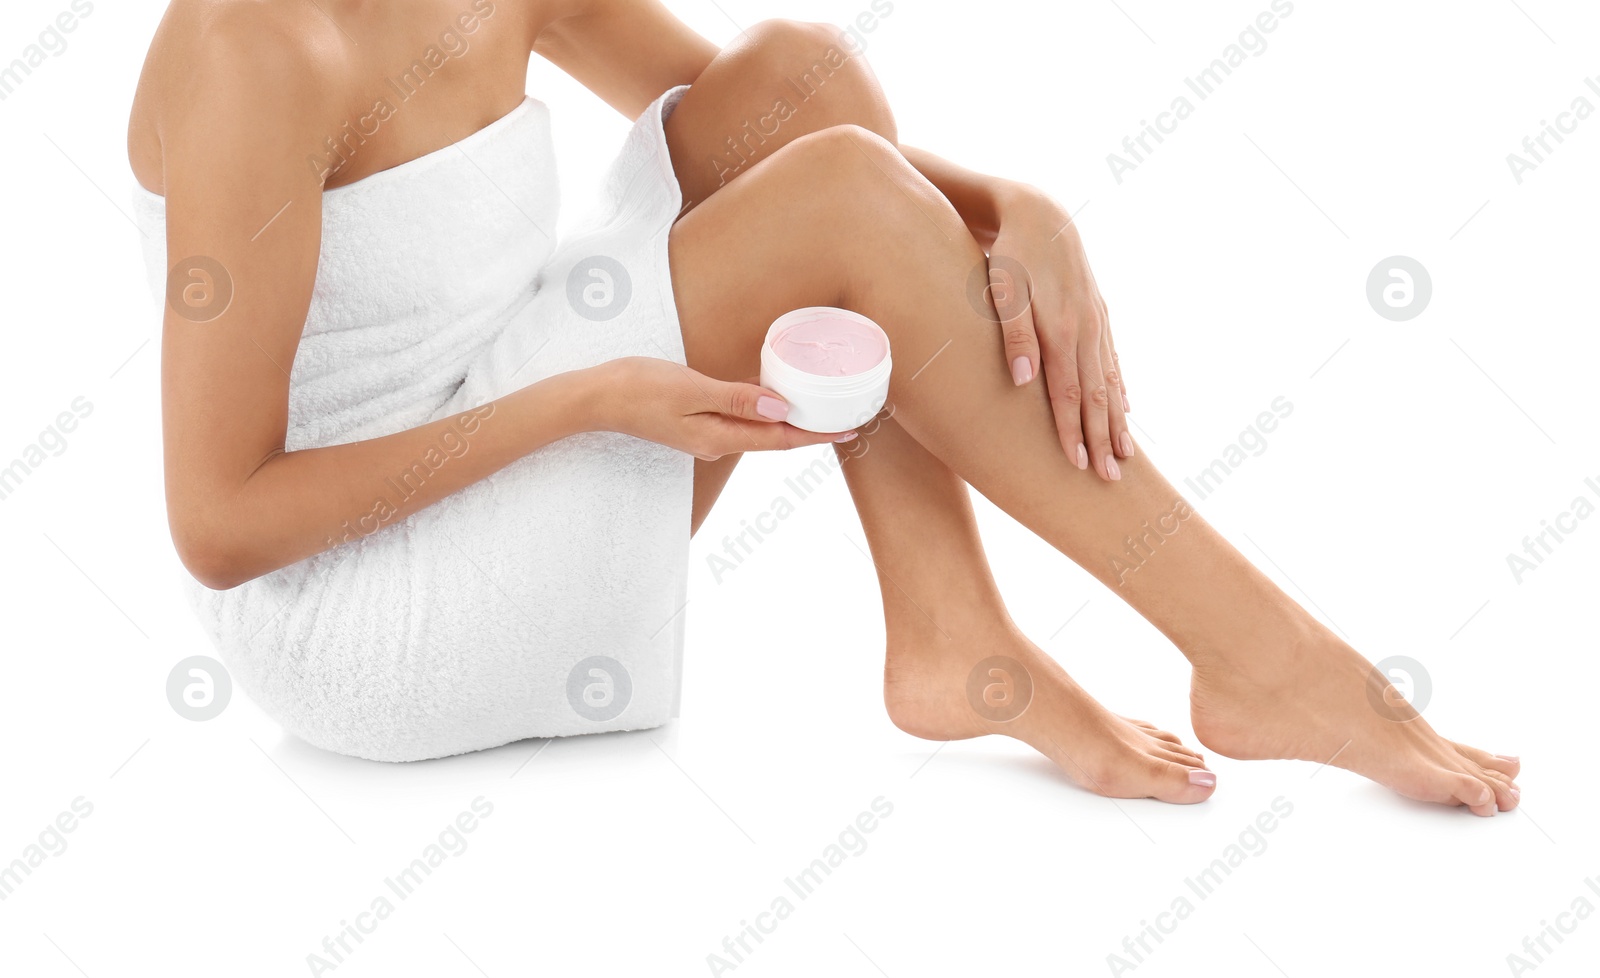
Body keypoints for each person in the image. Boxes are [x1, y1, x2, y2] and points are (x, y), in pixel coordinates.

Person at [127, 0, 1520, 813]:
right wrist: (585, 399)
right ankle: (1263, 656)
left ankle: (945, 624)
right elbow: (223, 523)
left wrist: (1014, 206)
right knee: (841, 192)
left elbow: (786, 127)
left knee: (802, 82)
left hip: (508, 397)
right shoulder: (262, 50)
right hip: (365, 605)